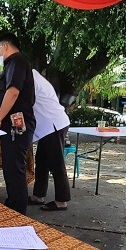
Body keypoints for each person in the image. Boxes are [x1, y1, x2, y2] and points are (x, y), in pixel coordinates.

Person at [0, 32, 36, 215]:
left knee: (15, 168)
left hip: (17, 125)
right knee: (10, 166)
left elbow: (13, 93)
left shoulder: (16, 62)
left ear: (5, 46)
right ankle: (13, 206)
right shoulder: (15, 64)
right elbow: (3, 97)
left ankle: (17, 211)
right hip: (13, 125)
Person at [28, 69, 71, 210]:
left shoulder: (29, 77)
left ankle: (61, 200)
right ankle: (38, 196)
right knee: (41, 161)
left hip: (53, 125)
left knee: (56, 162)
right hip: (47, 127)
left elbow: (21, 101)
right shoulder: (32, 75)